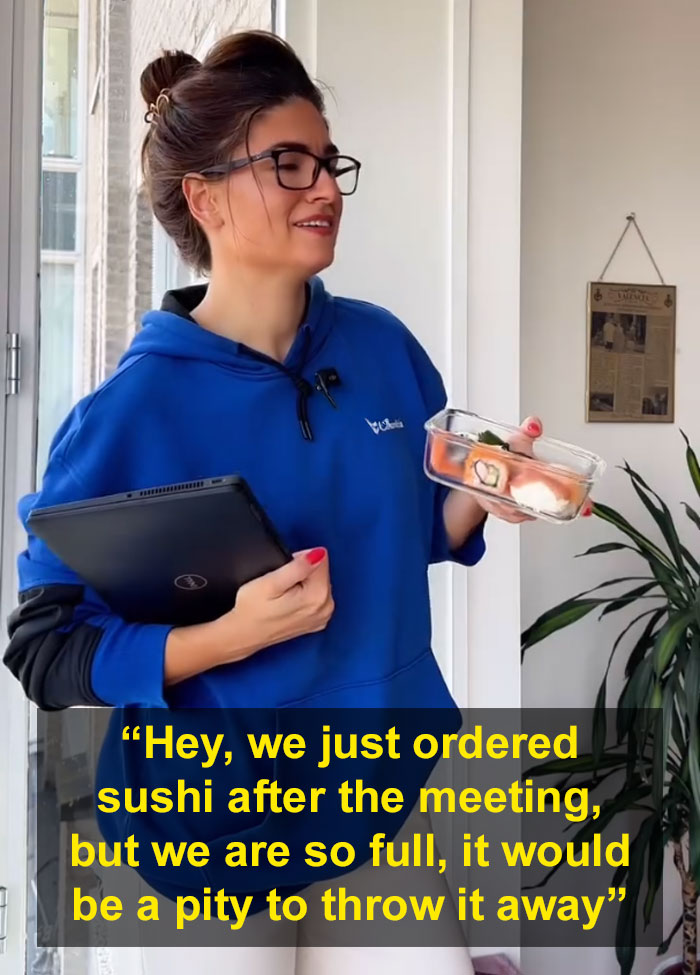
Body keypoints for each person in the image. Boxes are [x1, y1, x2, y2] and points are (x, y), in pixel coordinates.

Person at [4, 29, 592, 975]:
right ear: (204, 199)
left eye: (328, 164)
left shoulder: (381, 351)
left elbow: (409, 534)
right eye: (288, 164)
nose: (324, 188)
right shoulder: (128, 415)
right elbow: (43, 649)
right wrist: (223, 639)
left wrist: (487, 494)